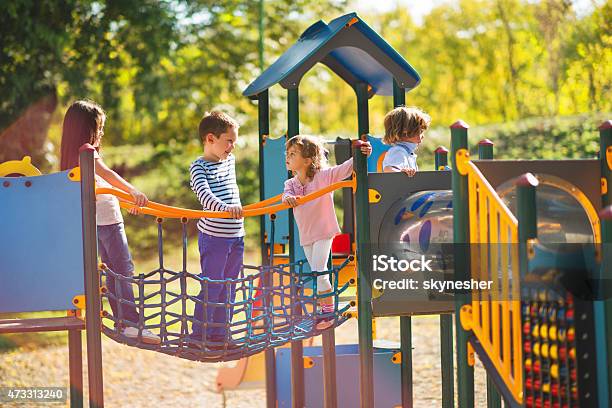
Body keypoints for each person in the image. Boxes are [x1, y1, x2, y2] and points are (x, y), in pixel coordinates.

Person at [60, 100, 160, 344]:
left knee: (113, 271)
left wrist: (127, 200)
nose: (102, 132)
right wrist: (133, 191)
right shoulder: (88, 151)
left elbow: (100, 189)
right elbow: (108, 176)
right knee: (122, 270)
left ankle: (125, 322)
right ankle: (131, 323)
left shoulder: (72, 156)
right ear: (86, 129)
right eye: (99, 127)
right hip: (108, 224)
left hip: (96, 222)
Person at [282, 135, 371, 328]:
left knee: (320, 272)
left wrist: (360, 152)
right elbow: (285, 196)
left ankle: (328, 313)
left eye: (292, 154)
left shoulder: (323, 177)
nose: (287, 157)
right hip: (306, 235)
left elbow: (345, 169)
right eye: (287, 154)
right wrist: (287, 199)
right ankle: (325, 311)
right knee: (316, 273)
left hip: (324, 230)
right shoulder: (291, 184)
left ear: (307, 160)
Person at [189, 111, 244, 349]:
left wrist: (233, 211)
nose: (232, 146)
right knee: (212, 286)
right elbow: (206, 197)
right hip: (214, 237)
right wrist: (226, 208)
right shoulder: (198, 167)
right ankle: (198, 335)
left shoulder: (229, 161)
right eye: (228, 141)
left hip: (237, 236)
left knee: (229, 287)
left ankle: (220, 336)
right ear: (210, 139)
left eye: (234, 141)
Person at [381, 106, 431, 174]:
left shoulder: (407, 152)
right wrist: (400, 172)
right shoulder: (398, 151)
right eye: (421, 131)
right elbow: (388, 169)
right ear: (406, 132)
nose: (423, 136)